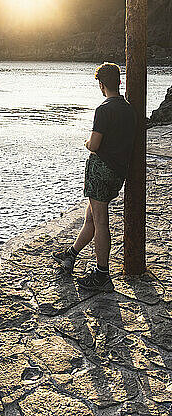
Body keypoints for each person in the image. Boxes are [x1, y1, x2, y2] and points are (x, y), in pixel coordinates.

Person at [52, 63, 137, 292]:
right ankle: (70, 255)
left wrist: (87, 143)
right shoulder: (129, 109)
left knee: (100, 222)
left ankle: (102, 275)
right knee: (91, 218)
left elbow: (95, 144)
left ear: (101, 85)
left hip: (101, 171)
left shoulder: (104, 109)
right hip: (118, 173)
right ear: (119, 82)